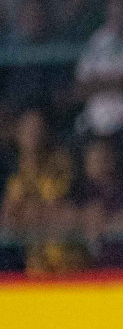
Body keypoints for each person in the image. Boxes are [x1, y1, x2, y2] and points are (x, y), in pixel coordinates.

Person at [1, 107, 83, 275]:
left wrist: (29, 213)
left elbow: (63, 213)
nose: (34, 134)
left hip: (69, 263)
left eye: (38, 128)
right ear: (18, 132)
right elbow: (8, 218)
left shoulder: (61, 163)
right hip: (35, 267)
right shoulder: (13, 169)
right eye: (29, 128)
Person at [73, 0, 123, 150]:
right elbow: (80, 86)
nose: (117, 16)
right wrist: (115, 82)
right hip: (97, 126)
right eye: (113, 11)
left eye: (122, 10)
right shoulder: (98, 39)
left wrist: (98, 82)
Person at [73, 136, 123, 270]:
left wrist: (106, 224)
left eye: (105, 157)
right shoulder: (80, 194)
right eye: (96, 159)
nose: (101, 164)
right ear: (86, 163)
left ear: (114, 158)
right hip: (89, 273)